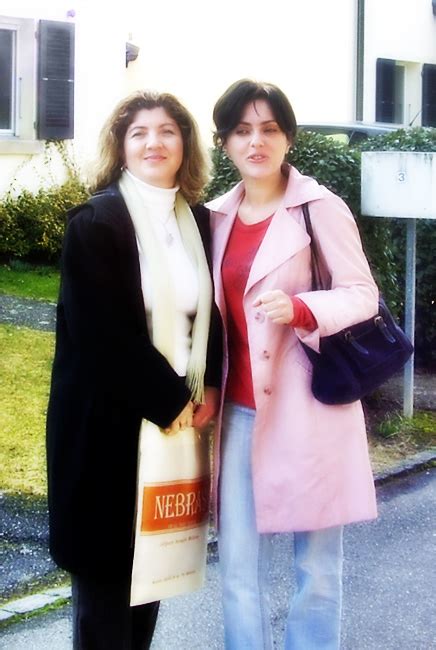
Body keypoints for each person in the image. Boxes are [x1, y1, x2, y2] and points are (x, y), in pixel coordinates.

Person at [206, 79, 379, 649]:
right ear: (225, 142)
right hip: (239, 413)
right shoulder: (215, 217)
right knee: (237, 566)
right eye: (242, 131)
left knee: (317, 571)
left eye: (269, 129)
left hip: (310, 409)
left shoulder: (318, 207)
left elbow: (362, 294)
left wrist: (304, 308)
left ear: (288, 138)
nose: (256, 142)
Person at [46, 90, 221, 650]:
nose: (154, 142)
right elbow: (101, 335)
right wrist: (173, 401)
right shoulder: (96, 223)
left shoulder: (198, 222)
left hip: (175, 428)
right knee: (105, 593)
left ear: (185, 144)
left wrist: (209, 385)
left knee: (152, 578)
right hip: (107, 429)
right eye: (139, 132)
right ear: (120, 146)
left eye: (167, 130)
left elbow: (211, 315)